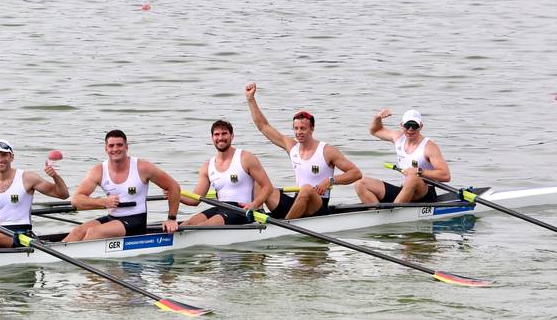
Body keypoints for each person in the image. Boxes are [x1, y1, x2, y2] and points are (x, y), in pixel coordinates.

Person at [245, 81, 360, 218]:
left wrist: (331, 180)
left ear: (312, 129)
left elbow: (356, 173)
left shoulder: (327, 151)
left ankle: (284, 226)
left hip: (317, 205)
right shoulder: (292, 147)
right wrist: (250, 99)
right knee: (260, 182)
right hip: (297, 201)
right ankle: (258, 217)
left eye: (303, 128)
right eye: (296, 128)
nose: (299, 132)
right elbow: (263, 126)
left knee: (306, 188)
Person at [62, 129, 181, 242]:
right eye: (111, 146)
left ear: (126, 147)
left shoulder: (143, 167)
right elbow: (76, 199)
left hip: (136, 220)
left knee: (94, 232)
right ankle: (54, 256)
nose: (115, 149)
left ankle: (77, 258)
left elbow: (173, 187)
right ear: (106, 149)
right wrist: (102, 202)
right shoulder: (98, 171)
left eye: (119, 145)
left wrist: (171, 219)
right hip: (112, 219)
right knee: (77, 231)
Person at [182, 119, 276, 226]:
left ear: (232, 136)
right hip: (221, 208)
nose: (220, 138)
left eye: (224, 134)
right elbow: (194, 200)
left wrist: (254, 204)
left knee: (203, 226)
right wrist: (174, 194)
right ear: (212, 138)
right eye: (216, 134)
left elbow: (267, 187)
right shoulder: (207, 166)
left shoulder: (246, 158)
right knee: (187, 224)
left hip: (244, 210)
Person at [353, 108, 449, 204]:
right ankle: (378, 213)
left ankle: (393, 212)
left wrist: (419, 171)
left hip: (425, 194)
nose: (410, 129)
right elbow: (375, 130)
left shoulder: (429, 146)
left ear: (421, 126)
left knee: (412, 178)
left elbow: (446, 175)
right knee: (360, 183)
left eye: (414, 126)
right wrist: (378, 117)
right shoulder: (398, 137)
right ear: (402, 126)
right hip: (405, 189)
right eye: (407, 125)